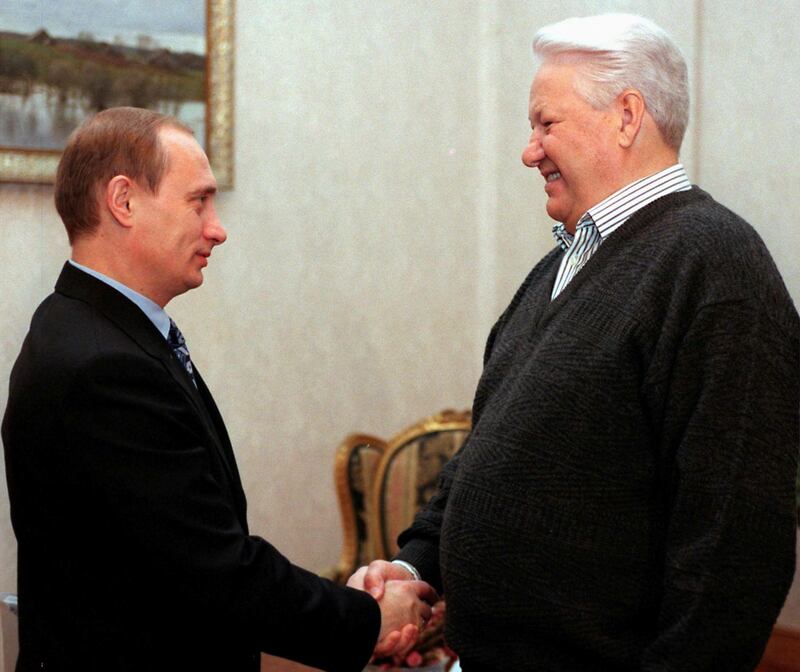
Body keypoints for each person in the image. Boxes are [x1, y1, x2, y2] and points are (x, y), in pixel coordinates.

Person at [349, 13, 800, 672]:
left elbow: (733, 553)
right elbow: (488, 455)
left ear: (626, 115)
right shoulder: (560, 265)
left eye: (545, 124)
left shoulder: (717, 266)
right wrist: (413, 564)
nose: (529, 151)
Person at [2, 107, 436, 672]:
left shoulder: (85, 326)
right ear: (124, 201)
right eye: (198, 201)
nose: (217, 227)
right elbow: (214, 569)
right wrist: (369, 620)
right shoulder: (102, 365)